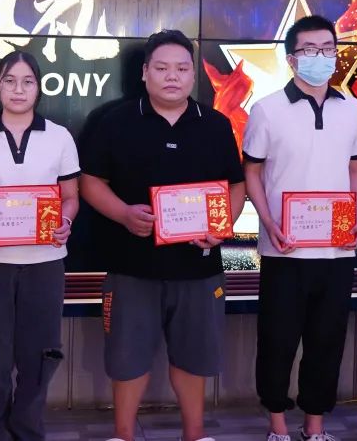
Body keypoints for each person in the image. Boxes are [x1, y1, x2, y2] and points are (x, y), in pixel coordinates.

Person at [80, 30, 245, 441]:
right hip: (131, 265)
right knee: (127, 359)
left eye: (182, 69)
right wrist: (123, 214)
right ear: (144, 73)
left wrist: (221, 226)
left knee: (193, 357)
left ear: (193, 75)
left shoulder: (215, 124)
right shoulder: (115, 122)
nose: (173, 76)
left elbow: (236, 186)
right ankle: (123, 434)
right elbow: (90, 181)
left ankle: (195, 434)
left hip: (198, 268)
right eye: (162, 68)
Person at [243, 15, 357, 441]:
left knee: (327, 340)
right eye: (310, 49)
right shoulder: (267, 109)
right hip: (285, 248)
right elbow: (252, 172)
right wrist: (268, 222)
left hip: (336, 248)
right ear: (292, 59)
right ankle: (277, 424)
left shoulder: (353, 109)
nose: (321, 57)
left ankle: (314, 425)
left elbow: (355, 170)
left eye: (328, 49)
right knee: (278, 340)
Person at [0, 50, 79, 441]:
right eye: (9, 81)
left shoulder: (59, 136)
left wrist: (65, 222)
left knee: (38, 359)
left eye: (27, 81)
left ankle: (26, 431)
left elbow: (70, 197)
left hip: (45, 264)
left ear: (39, 88)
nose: (18, 89)